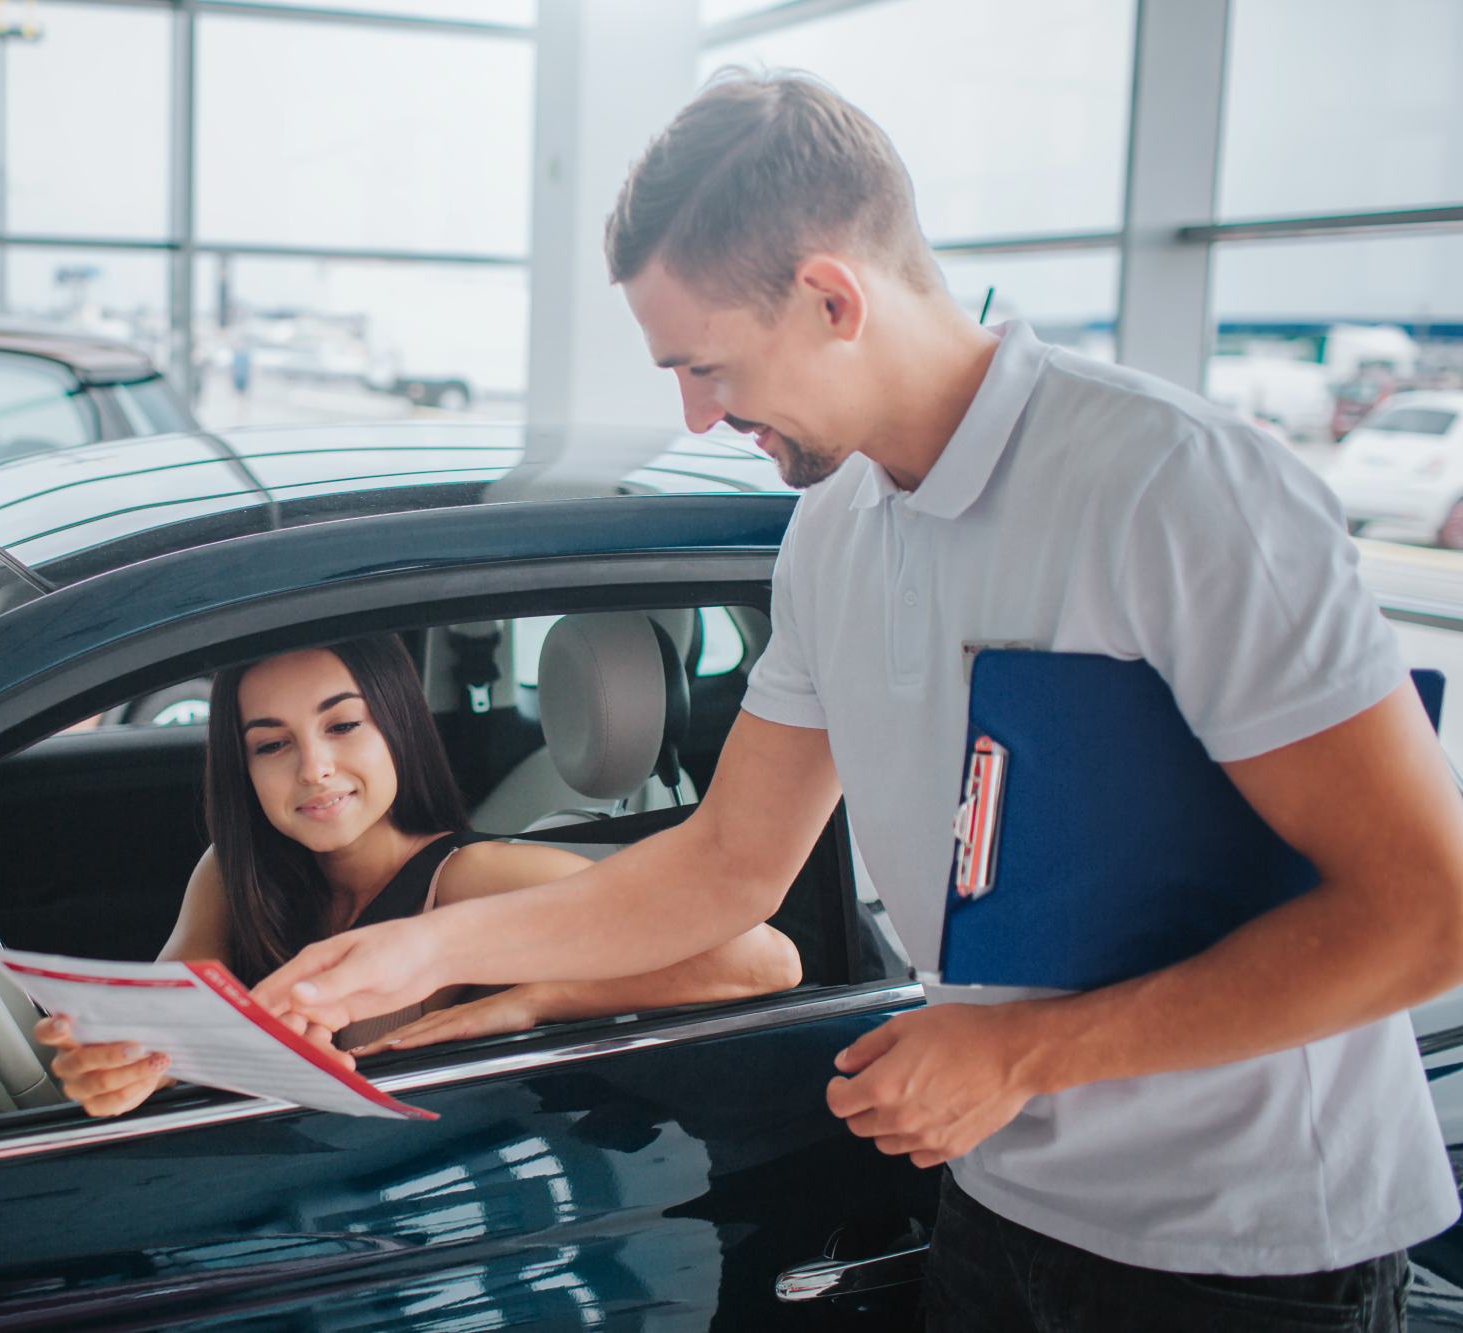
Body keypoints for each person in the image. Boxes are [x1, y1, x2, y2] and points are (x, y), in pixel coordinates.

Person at [254, 72, 1463, 1331]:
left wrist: (1017, 1054)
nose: (696, 414)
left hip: (1250, 1255)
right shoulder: (830, 533)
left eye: (705, 367)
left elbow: (1426, 913)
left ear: (833, 296)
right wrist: (415, 950)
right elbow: (721, 868)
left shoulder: (1174, 490)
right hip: (1001, 1209)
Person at [37, 633, 803, 1118]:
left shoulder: (473, 875)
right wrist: (122, 1063)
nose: (315, 767)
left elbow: (764, 960)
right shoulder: (231, 874)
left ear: (397, 725)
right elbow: (171, 1016)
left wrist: (536, 998)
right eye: (272, 744)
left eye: (343, 725)